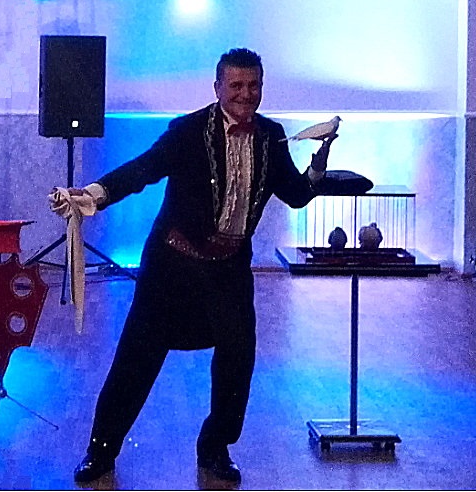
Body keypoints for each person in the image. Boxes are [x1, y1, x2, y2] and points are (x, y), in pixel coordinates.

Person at [61, 48, 336, 485]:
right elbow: (142, 169)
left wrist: (318, 167)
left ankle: (215, 449)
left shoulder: (271, 136)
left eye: (254, 85)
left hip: (229, 269)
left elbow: (296, 195)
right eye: (236, 85)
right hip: (172, 266)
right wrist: (94, 194)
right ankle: (101, 450)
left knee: (237, 358)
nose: (246, 94)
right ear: (217, 87)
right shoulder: (187, 131)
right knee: (137, 358)